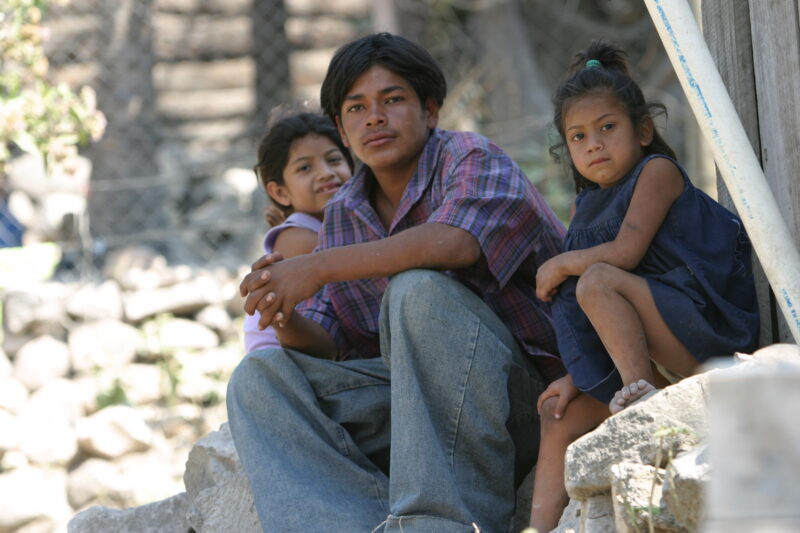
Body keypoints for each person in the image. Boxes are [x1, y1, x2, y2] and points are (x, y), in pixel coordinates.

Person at [228, 32, 566, 533]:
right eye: (356, 108)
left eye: (392, 100)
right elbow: (328, 345)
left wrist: (316, 267)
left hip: (532, 403)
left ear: (429, 110)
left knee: (417, 291)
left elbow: (456, 242)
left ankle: (439, 524)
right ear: (342, 130)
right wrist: (281, 310)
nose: (374, 118)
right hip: (414, 413)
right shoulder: (344, 212)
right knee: (258, 378)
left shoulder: (471, 158)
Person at [528, 39, 759, 532]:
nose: (594, 144)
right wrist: (576, 376)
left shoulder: (657, 173)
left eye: (607, 127)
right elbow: (602, 316)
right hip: (650, 351)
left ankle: (642, 404)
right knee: (557, 415)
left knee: (596, 280)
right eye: (578, 136)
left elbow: (626, 255)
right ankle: (537, 527)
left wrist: (561, 263)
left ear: (644, 130)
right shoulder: (584, 208)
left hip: (703, 333)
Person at [243, 109, 354, 354]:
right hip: (283, 362)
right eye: (305, 168)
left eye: (334, 160)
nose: (326, 172)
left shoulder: (343, 226)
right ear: (280, 192)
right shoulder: (298, 237)